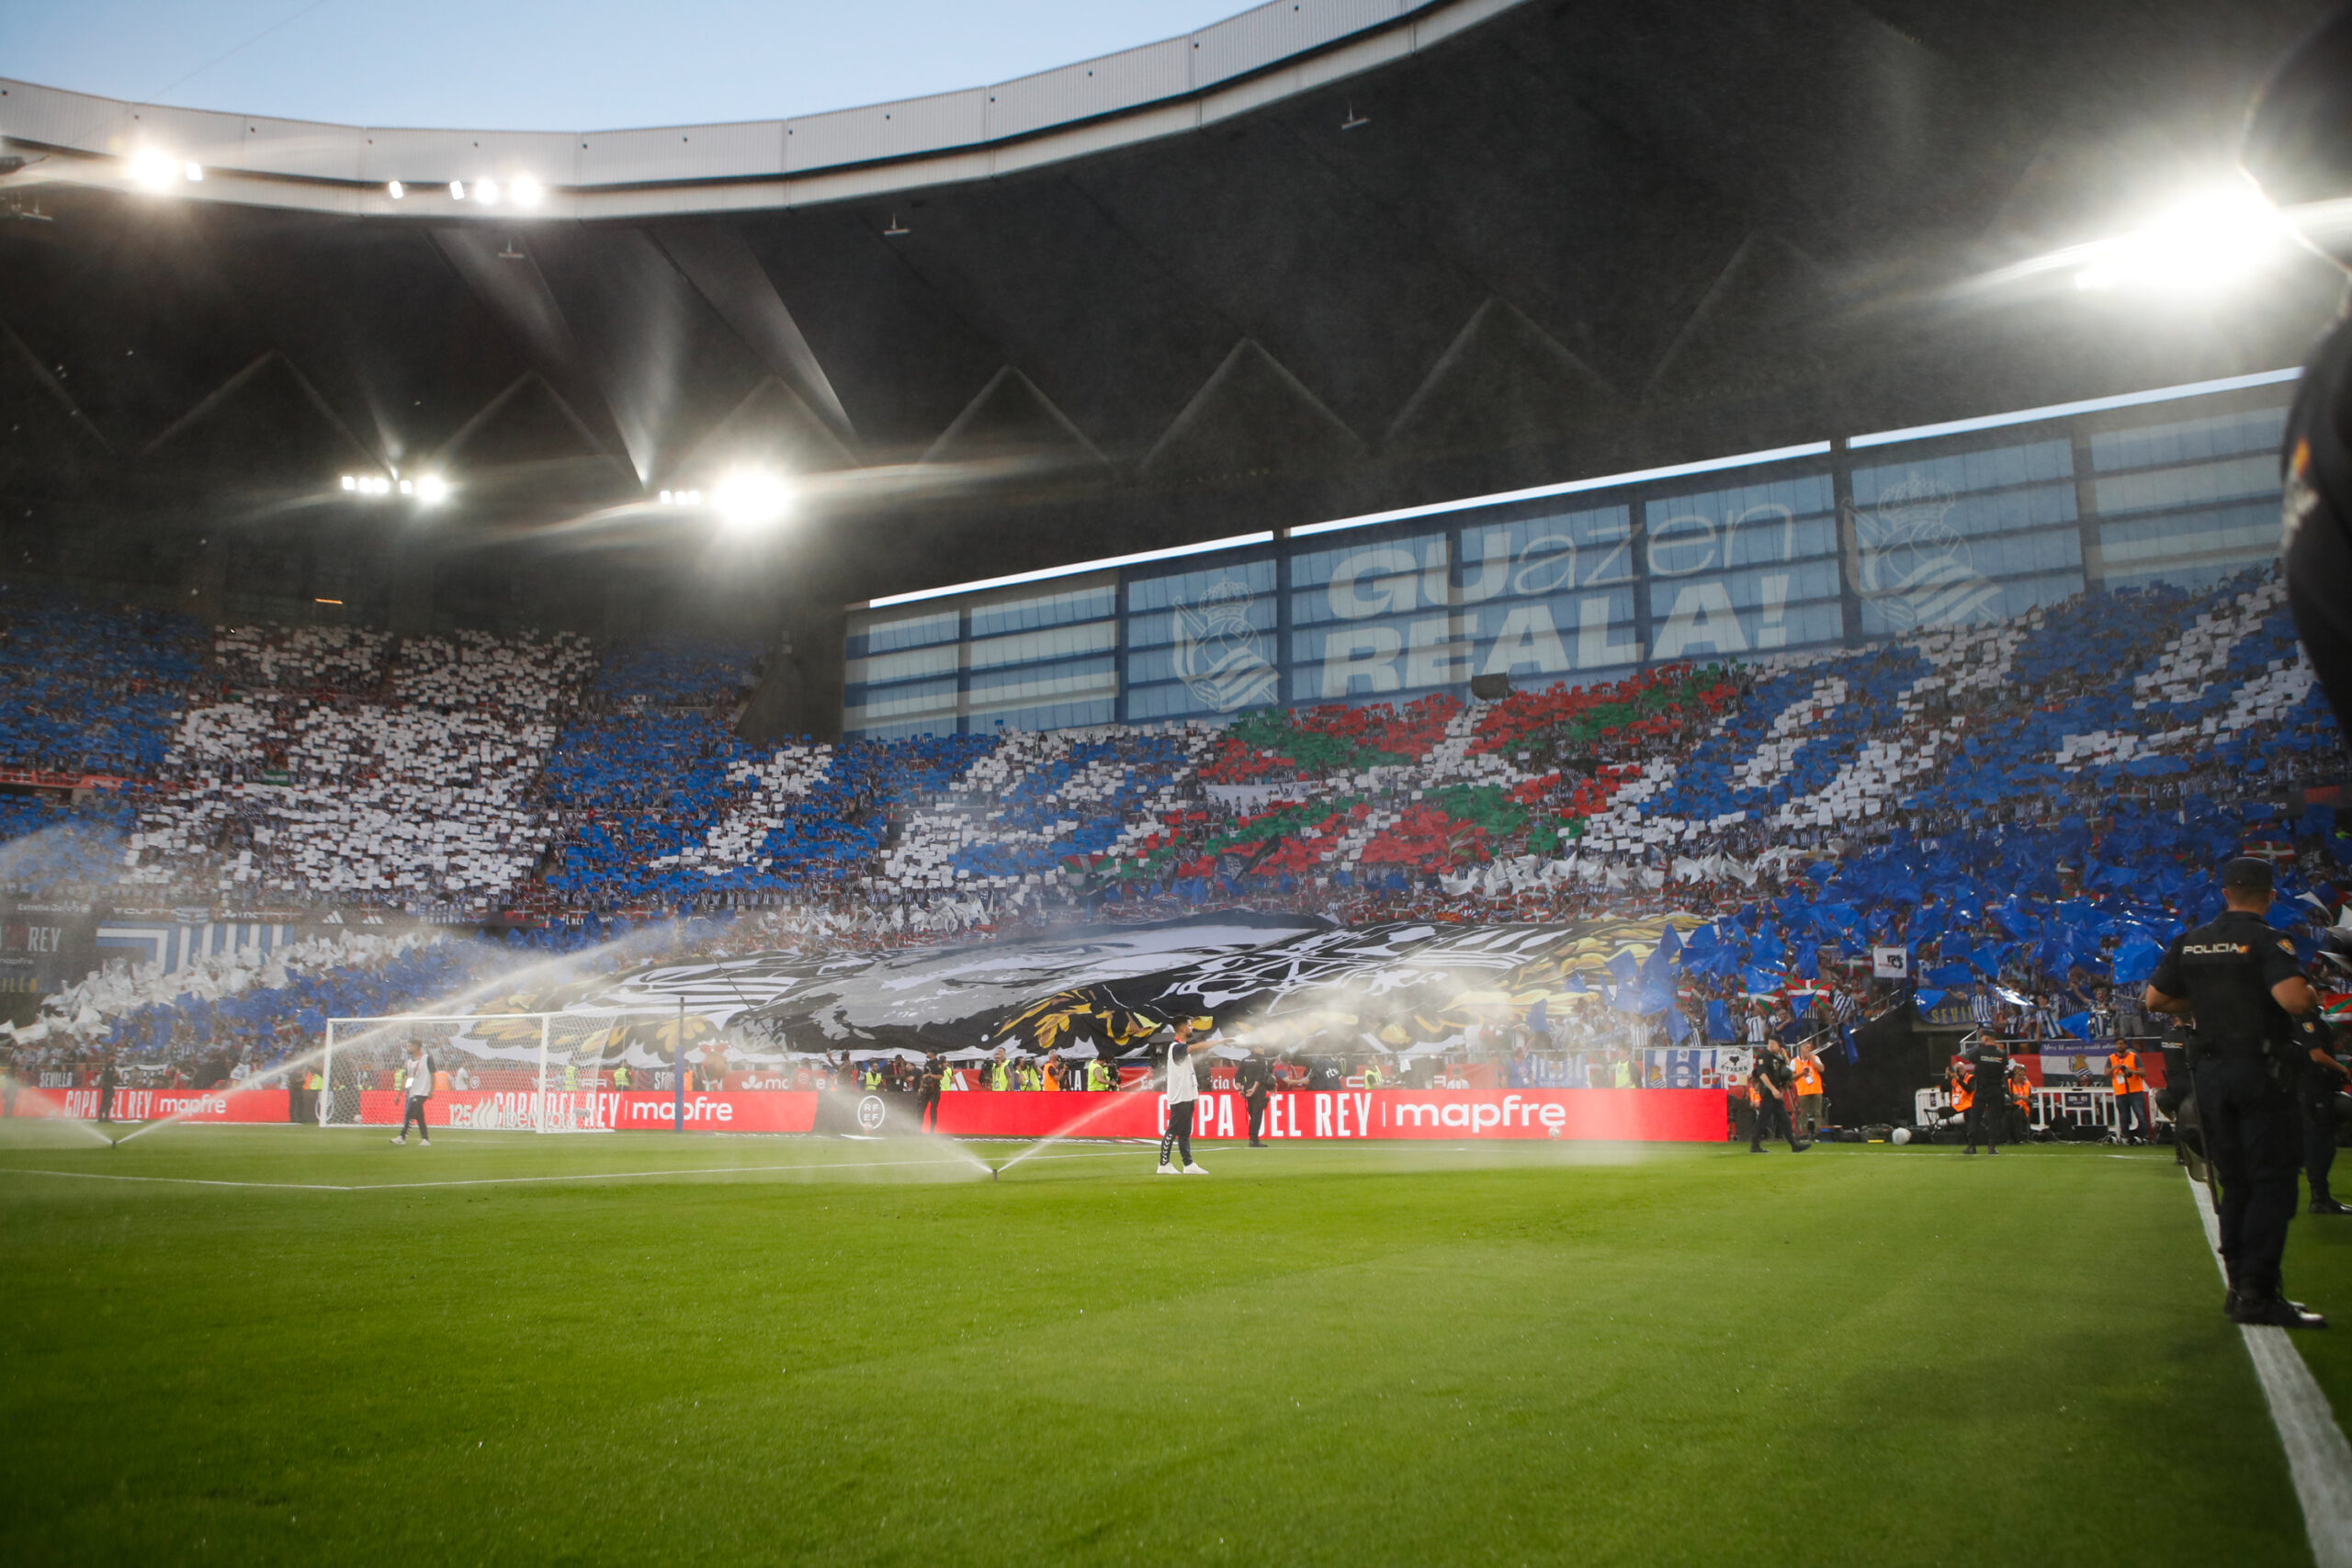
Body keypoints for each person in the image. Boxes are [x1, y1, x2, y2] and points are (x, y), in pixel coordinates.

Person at [2144, 857, 2330, 1328]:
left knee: (2234, 1182)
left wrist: (2210, 1002)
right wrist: (2303, 998)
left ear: (2225, 893)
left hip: (2209, 1075)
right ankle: (2259, 1291)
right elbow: (2293, 998)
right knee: (2271, 1180)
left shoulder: (2191, 941)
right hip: (2259, 1071)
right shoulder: (2268, 940)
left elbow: (2156, 1000)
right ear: (2270, 896)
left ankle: (2238, 1287)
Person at [2298, 1018, 2352, 1214]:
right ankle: (2319, 1198)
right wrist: (2342, 1069)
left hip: (2317, 1090)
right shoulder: (2307, 1021)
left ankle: (2320, 1196)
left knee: (2323, 1141)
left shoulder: (2310, 1019)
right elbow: (2317, 1055)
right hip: (2314, 1091)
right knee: (2319, 1142)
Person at [1157, 1017, 1209, 1175]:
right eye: (1189, 1025)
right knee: (1173, 1130)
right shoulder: (1176, 1047)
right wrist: (1218, 1042)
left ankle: (1188, 1164)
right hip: (1179, 1097)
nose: (1192, 1027)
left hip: (1187, 1096)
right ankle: (1163, 1164)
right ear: (1182, 1028)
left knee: (1185, 1132)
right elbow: (1196, 1047)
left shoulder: (1180, 1047)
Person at [1747, 1040, 1808, 1154]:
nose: (1781, 1049)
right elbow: (1762, 1074)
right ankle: (1754, 1146)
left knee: (1785, 1119)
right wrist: (1773, 1089)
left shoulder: (1777, 1057)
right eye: (1780, 1047)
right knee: (1763, 1120)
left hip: (1776, 1093)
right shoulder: (1763, 1056)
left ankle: (1794, 1145)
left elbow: (1787, 1071)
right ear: (1773, 1044)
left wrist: (1784, 1055)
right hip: (1769, 1093)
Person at [1962, 1036, 2008, 1156]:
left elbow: (1969, 1056)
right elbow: (2004, 1067)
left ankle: (1972, 1146)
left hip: (1982, 1089)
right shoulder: (2002, 1054)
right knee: (1994, 1119)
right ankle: (1992, 1147)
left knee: (1975, 1118)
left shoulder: (1979, 1051)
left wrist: (1980, 1046)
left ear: (1986, 1040)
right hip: (1996, 1089)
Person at [390, 1041, 434, 1146]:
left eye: (410, 1046)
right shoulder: (409, 1062)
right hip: (414, 1092)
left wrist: (431, 1090)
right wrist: (399, 1094)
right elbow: (407, 1078)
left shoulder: (427, 1058)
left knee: (410, 1113)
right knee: (419, 1116)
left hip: (423, 1091)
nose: (408, 1048)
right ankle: (425, 1139)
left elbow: (433, 1075)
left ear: (417, 1047)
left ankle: (402, 1136)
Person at [2109, 1043, 2152, 1145]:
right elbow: (2108, 1074)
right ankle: (2126, 1137)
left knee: (2140, 1115)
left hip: (2135, 1091)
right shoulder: (2113, 1060)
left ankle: (2146, 1137)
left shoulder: (2135, 1061)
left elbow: (2143, 1073)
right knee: (2124, 1116)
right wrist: (2116, 1068)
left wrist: (2131, 1070)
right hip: (2121, 1091)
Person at [1238, 1045, 1274, 1147]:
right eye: (1261, 1047)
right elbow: (1261, 1076)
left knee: (1252, 1115)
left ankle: (1252, 1139)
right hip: (1258, 1091)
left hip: (1247, 1091)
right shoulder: (1262, 1060)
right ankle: (1254, 1140)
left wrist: (1241, 1089)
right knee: (1257, 1116)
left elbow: (1238, 1076)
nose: (1263, 1049)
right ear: (1255, 1049)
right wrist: (1253, 1089)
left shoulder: (1245, 1060)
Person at [1791, 1043, 1826, 1139]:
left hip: (1816, 1089)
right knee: (1803, 1113)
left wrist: (1811, 1058)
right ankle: (1804, 1133)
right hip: (1802, 1091)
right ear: (1801, 1049)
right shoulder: (1795, 1061)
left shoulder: (1815, 1058)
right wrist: (1801, 1074)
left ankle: (1818, 1133)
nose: (1808, 1049)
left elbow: (1821, 1069)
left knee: (1817, 1113)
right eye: (1806, 1047)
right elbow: (1790, 1077)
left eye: (1809, 1048)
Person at [917, 1055, 944, 1133]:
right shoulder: (927, 1063)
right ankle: (918, 1128)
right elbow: (923, 1077)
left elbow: (940, 1077)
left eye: (928, 1052)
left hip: (934, 1089)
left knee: (933, 1110)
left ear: (932, 1054)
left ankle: (932, 1129)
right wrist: (920, 1088)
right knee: (921, 1109)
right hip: (925, 1088)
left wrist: (930, 1075)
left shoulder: (938, 1064)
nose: (927, 1054)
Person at [96, 1054, 118, 1126]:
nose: (114, 1058)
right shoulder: (109, 1066)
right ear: (109, 1057)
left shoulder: (108, 1066)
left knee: (107, 1102)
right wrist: (115, 1075)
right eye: (113, 1057)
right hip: (108, 1086)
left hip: (107, 1086)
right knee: (107, 1102)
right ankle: (103, 1117)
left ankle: (103, 1117)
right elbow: (108, 1077)